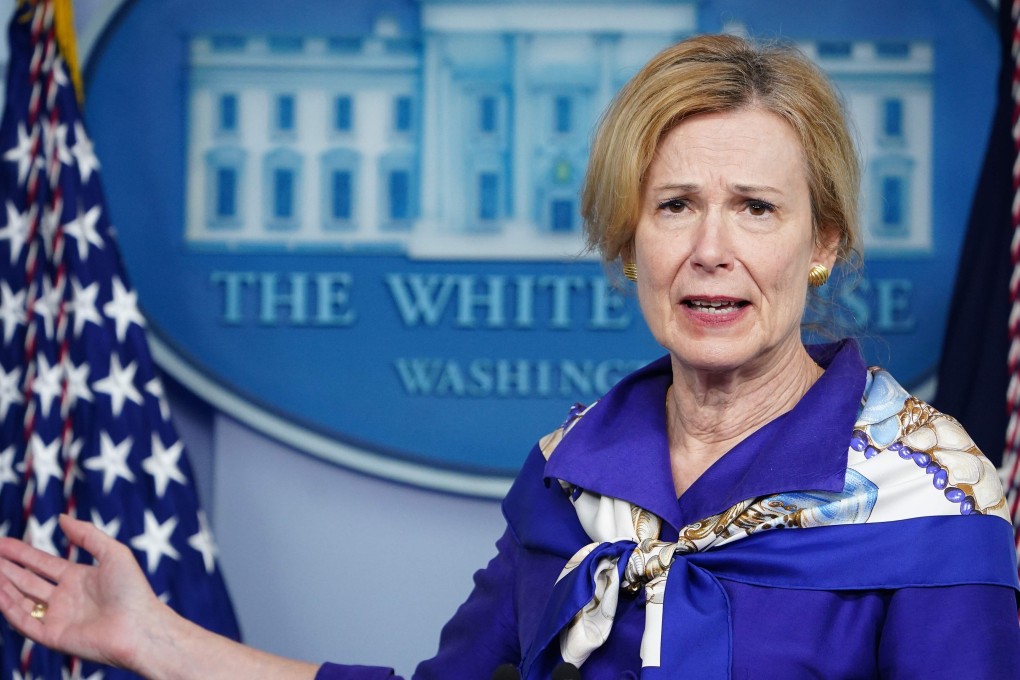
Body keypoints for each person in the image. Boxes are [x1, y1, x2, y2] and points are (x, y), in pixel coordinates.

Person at [1, 33, 1018, 680]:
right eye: (676, 206)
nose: (713, 247)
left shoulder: (928, 492)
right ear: (633, 239)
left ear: (823, 239)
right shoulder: (567, 475)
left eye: (757, 207)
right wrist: (157, 638)